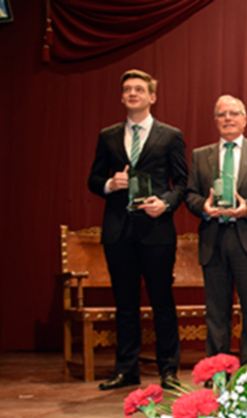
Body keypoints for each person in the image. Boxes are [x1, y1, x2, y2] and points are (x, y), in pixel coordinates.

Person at [88, 69, 187, 391]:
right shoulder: (108, 136)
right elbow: (92, 179)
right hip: (119, 231)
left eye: (139, 89)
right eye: (128, 89)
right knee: (125, 304)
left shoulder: (170, 135)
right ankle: (126, 370)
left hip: (156, 230)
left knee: (162, 302)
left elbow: (183, 183)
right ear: (121, 97)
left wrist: (167, 203)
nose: (133, 94)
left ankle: (168, 370)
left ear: (152, 97)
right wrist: (109, 183)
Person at [185, 95, 247, 365]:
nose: (227, 118)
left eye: (233, 113)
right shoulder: (200, 155)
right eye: (221, 114)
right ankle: (217, 370)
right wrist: (204, 207)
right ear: (215, 121)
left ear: (245, 119)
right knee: (216, 312)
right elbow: (190, 194)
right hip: (214, 240)